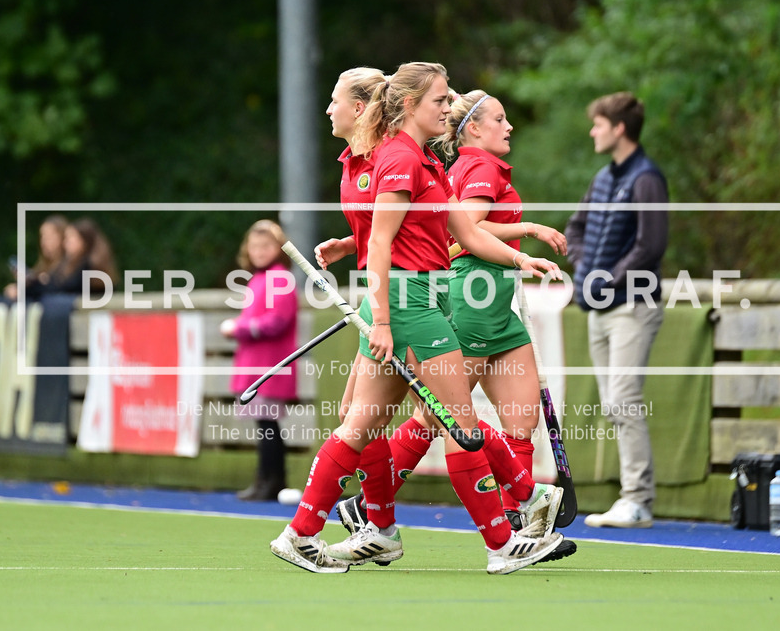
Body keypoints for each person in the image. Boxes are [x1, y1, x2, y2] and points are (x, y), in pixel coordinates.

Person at [270, 62, 566, 575]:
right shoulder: (402, 159)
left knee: (361, 424)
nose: (448, 109)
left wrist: (522, 257)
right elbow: (381, 243)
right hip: (411, 304)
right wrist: (382, 319)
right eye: (440, 100)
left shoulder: (416, 157)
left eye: (449, 99)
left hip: (412, 300)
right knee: (459, 424)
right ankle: (502, 542)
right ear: (409, 105)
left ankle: (309, 533)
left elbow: (466, 234)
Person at [334, 89, 572, 537]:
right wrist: (530, 230)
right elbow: (469, 226)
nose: (509, 127)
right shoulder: (478, 164)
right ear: (475, 129)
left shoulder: (448, 166)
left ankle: (521, 518)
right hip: (473, 299)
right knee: (441, 414)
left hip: (498, 306)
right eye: (500, 119)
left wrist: (521, 258)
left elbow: (424, 222)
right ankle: (369, 509)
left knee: (520, 418)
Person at [564, 91, 668, 529]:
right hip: (600, 310)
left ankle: (637, 499)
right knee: (613, 404)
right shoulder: (603, 178)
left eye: (599, 124)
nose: (593, 131)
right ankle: (633, 497)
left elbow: (651, 244)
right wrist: (587, 269)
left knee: (623, 401)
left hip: (634, 307)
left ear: (619, 128)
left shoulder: (646, 178)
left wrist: (606, 277)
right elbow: (576, 229)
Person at [221, 220, 298, 501]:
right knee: (264, 424)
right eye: (254, 246)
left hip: (271, 364)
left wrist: (238, 328)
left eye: (266, 246)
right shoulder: (258, 279)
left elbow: (276, 321)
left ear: (278, 248)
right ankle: (267, 479)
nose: (259, 251)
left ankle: (272, 481)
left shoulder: (280, 278)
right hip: (255, 363)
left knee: (268, 424)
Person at [23, 217, 117, 300]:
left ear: (84, 241)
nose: (65, 243)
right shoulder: (72, 264)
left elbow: (62, 289)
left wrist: (38, 284)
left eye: (70, 238)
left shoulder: (88, 267)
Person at [4, 214, 68, 300]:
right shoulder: (41, 267)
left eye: (50, 237)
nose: (44, 242)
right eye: (42, 236)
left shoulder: (70, 268)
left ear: (63, 238)